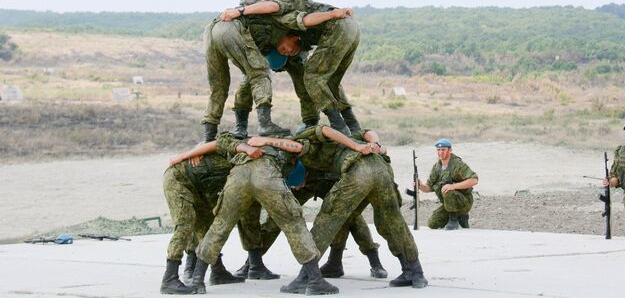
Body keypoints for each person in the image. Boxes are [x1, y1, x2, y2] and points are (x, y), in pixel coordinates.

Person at [248, 125, 428, 291]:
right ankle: (414, 271)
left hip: (358, 171)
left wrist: (264, 141)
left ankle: (306, 277)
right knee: (393, 221)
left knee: (327, 220)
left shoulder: (308, 139)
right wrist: (374, 143)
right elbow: (368, 131)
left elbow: (298, 145)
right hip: (381, 169)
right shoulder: (345, 135)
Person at [179, 132, 337, 295]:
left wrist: (191, 152)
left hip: (238, 175)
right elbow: (298, 147)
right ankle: (315, 280)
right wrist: (271, 141)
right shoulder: (284, 146)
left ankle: (197, 281)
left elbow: (218, 142)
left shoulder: (245, 141)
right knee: (293, 224)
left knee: (220, 225)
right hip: (266, 173)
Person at [221, 0, 363, 135]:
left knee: (312, 77)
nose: (288, 53)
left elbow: (290, 13)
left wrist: (239, 10)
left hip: (339, 25)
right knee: (330, 80)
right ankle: (352, 125)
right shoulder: (284, 39)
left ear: (293, 37)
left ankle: (337, 125)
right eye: (285, 53)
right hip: (351, 27)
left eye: (285, 50)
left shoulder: (285, 13)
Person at [160, 151, 263, 294]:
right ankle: (169, 279)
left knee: (206, 226)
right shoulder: (236, 158)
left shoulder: (243, 169)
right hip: (178, 180)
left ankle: (218, 271)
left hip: (199, 187)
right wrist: (190, 154)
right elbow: (213, 143)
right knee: (185, 225)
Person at [200, 17, 292, 141]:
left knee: (218, 86)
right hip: (229, 27)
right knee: (260, 73)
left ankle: (210, 135)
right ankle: (264, 124)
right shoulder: (274, 26)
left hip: (210, 30)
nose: (287, 51)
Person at [416, 138, 478, 230]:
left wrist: (453, 186)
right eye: (438, 150)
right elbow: (429, 187)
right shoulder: (436, 168)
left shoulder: (457, 164)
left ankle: (454, 220)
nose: (440, 152)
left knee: (447, 189)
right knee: (432, 224)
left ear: (450, 150)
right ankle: (461, 217)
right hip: (449, 205)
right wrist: (420, 185)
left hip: (463, 202)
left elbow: (474, 180)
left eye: (443, 150)